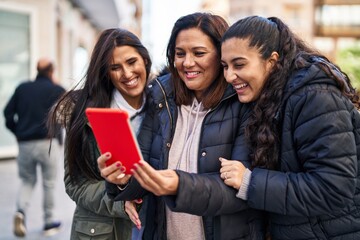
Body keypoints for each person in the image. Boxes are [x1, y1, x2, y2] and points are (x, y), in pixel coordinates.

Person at [98, 12, 266, 240]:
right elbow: (144, 172)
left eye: (199, 53)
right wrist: (122, 181)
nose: (187, 63)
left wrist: (179, 185)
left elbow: (239, 191)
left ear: (221, 55)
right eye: (180, 54)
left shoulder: (243, 103)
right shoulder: (159, 96)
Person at [218, 15, 360, 239]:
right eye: (225, 66)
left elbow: (333, 188)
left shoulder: (314, 97)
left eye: (239, 64)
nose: (229, 76)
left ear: (272, 61)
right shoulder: (269, 97)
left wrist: (250, 181)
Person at [47, 28, 152, 239]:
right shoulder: (85, 115)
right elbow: (75, 183)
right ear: (106, 73)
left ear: (145, 60)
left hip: (155, 225)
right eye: (115, 67)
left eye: (132, 62)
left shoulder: (165, 107)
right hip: (103, 231)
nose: (127, 74)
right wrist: (118, 201)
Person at [3, 57, 65, 237]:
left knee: (27, 181)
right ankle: (49, 222)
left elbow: (7, 113)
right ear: (52, 71)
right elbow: (66, 115)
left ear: (36, 70)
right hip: (48, 143)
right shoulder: (57, 90)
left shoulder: (22, 88)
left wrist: (18, 132)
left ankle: (20, 212)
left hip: (25, 144)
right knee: (49, 183)